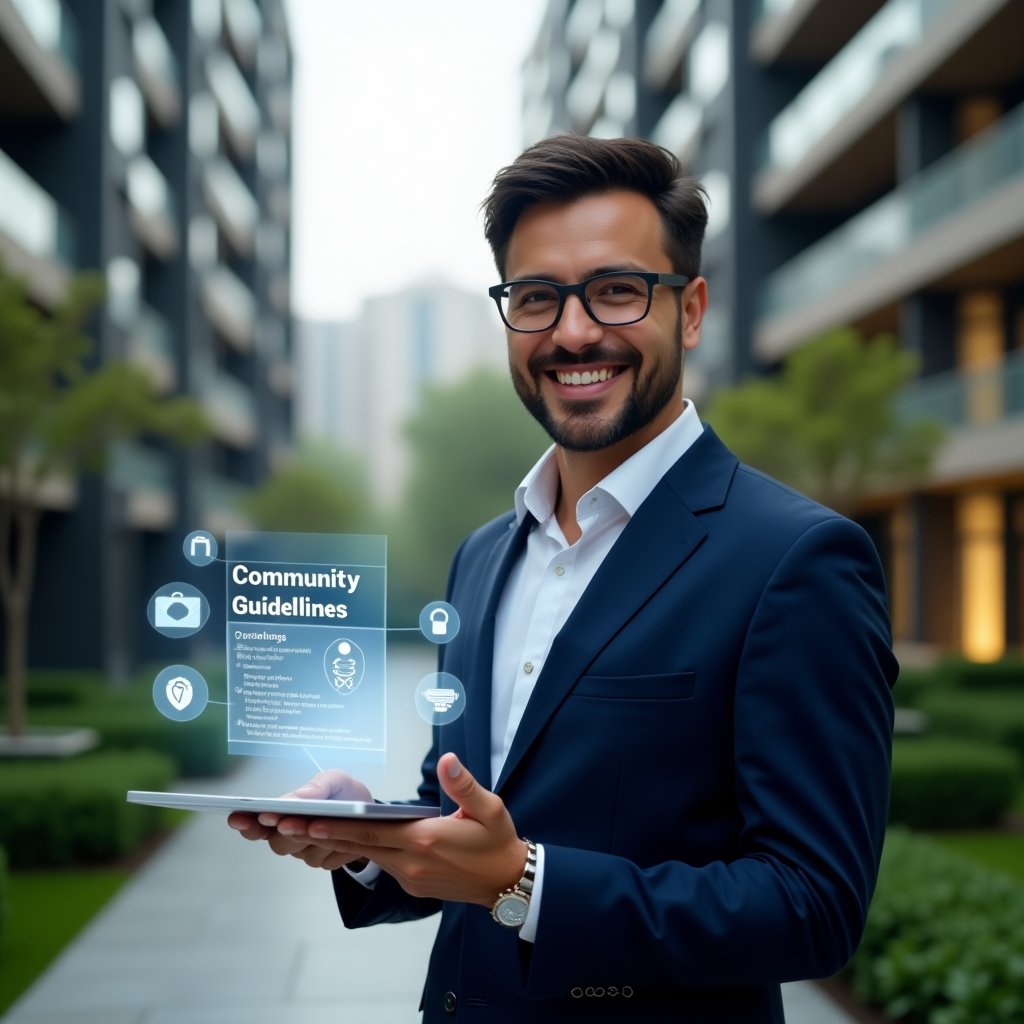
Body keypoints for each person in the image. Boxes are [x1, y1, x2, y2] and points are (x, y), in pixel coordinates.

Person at [229, 134, 897, 1023]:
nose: (574, 331)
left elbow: (814, 906)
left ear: (690, 310)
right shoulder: (481, 556)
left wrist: (524, 883)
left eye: (617, 290)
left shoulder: (798, 559)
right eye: (538, 298)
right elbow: (467, 817)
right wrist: (369, 834)